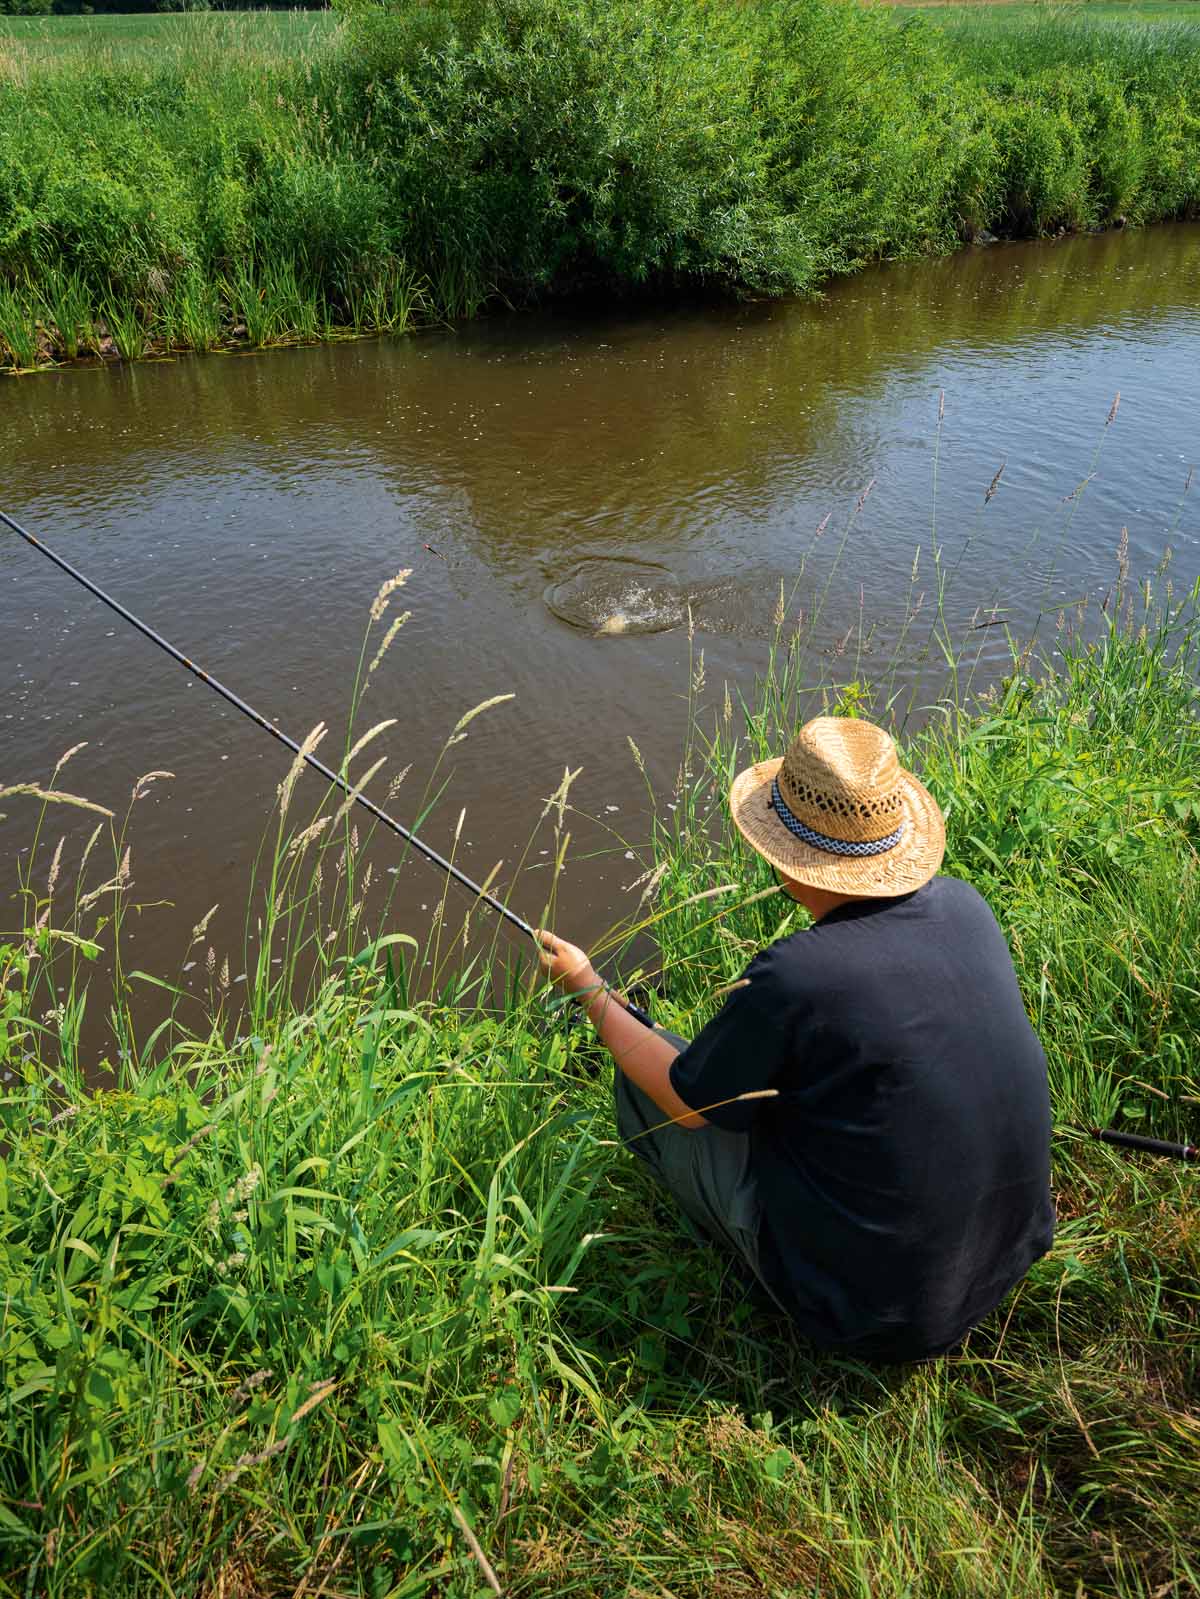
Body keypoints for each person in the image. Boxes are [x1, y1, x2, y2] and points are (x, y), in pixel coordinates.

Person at [537, 715, 1055, 1362]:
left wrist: (589, 989)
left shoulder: (798, 973)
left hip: (873, 1318)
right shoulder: (966, 906)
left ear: (789, 861)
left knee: (646, 1072)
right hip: (1001, 1265)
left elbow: (687, 1103)